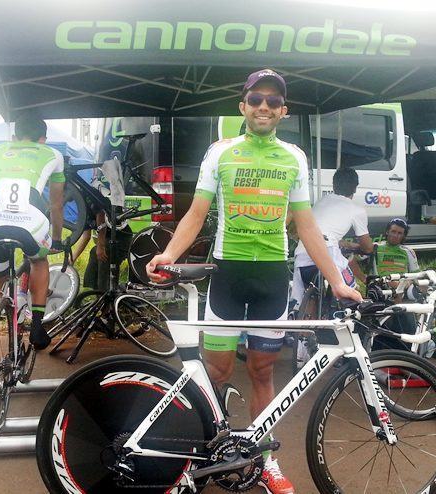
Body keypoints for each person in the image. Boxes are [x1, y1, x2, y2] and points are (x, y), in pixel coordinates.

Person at [147, 69, 361, 494]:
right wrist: (169, 254)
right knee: (218, 370)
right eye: (256, 99)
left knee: (263, 371)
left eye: (272, 101)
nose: (264, 107)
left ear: (283, 110)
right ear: (243, 106)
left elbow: (306, 225)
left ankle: (265, 461)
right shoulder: (221, 153)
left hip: (271, 278)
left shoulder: (294, 157)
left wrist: (336, 280)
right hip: (228, 274)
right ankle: (208, 452)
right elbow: (195, 213)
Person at [0, 115, 65, 378]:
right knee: (39, 261)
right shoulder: (52, 154)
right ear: (42, 139)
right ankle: (37, 326)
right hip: (31, 220)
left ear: (14, 137)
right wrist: (55, 239)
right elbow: (56, 205)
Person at [293, 168, 373, 299]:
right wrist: (359, 247)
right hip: (327, 253)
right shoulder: (357, 210)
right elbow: (367, 247)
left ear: (334, 185)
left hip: (302, 254)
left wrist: (345, 244)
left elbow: (321, 232)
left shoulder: (322, 201)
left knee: (304, 299)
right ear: (355, 188)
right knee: (351, 290)